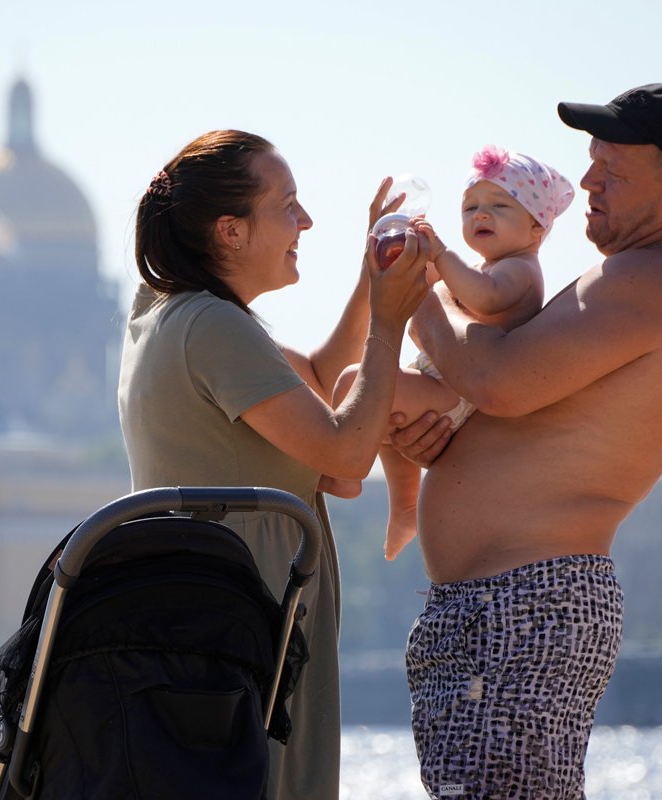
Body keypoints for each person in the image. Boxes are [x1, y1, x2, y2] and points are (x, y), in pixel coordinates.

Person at [391, 83, 662, 798]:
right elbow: (510, 409)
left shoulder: (655, 278)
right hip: (507, 606)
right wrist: (446, 441)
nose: (587, 183)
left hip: (519, 606)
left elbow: (498, 382)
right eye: (591, 160)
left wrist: (411, 300)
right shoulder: (645, 277)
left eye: (614, 171)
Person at [118, 130, 430, 799]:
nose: (307, 221)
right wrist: (390, 322)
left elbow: (316, 377)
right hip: (251, 630)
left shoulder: (172, 313)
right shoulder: (214, 328)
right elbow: (346, 453)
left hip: (224, 625)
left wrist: (371, 282)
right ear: (231, 232)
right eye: (288, 205)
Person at [331, 147, 575, 560]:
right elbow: (440, 293)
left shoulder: (520, 270)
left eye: (499, 205)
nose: (480, 215)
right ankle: (406, 508)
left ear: (537, 228)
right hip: (440, 381)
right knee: (383, 424)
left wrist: (442, 257)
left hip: (455, 393)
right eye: (470, 207)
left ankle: (342, 469)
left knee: (353, 383)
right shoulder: (485, 266)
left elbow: (485, 297)